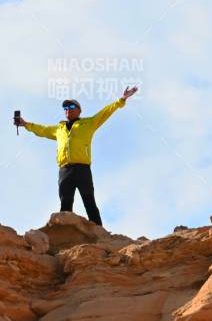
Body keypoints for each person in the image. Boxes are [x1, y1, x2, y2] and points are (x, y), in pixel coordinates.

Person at [15, 86, 138, 226]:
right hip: (64, 170)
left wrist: (121, 100)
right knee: (65, 203)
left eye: (72, 106)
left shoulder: (89, 123)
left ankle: (100, 233)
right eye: (65, 108)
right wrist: (25, 124)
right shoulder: (58, 129)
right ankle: (65, 234)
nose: (68, 109)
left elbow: (106, 112)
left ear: (79, 110)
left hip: (82, 168)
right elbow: (42, 130)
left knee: (89, 201)